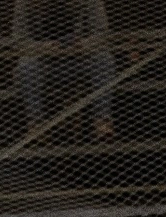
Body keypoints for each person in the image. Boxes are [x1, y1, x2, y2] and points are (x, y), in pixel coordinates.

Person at [12, 0, 117, 140]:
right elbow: (19, 41)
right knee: (26, 65)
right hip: (45, 63)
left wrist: (81, 45)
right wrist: (45, 48)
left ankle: (102, 121)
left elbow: (102, 34)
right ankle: (36, 125)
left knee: (104, 60)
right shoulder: (25, 3)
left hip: (80, 60)